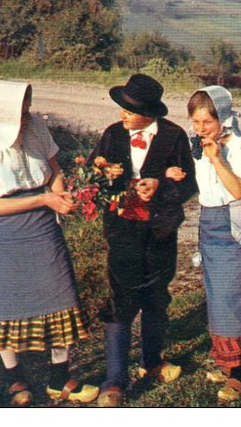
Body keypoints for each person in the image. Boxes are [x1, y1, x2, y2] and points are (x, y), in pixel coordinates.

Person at [0, 79, 98, 407]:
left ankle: (58, 377)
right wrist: (44, 200)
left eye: (26, 107)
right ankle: (15, 379)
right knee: (2, 304)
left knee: (59, 296)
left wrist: (61, 194)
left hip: (42, 226)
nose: (26, 115)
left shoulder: (35, 126)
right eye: (19, 111)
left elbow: (54, 171)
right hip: (3, 232)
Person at [88, 74, 198, 407]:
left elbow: (190, 182)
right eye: (121, 106)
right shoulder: (112, 135)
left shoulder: (173, 136)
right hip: (122, 230)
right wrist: (108, 181)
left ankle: (152, 361)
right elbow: (95, 177)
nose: (121, 113)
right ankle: (115, 380)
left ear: (149, 112)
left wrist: (162, 186)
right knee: (121, 296)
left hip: (160, 230)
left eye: (129, 109)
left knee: (156, 295)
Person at [184, 85, 241, 403]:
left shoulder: (237, 146)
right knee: (219, 296)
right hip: (211, 224)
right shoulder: (204, 145)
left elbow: (238, 191)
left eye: (207, 122)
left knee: (237, 297)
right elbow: (204, 187)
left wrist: (217, 160)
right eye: (196, 122)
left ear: (223, 117)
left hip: (237, 224)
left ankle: (239, 373)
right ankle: (233, 362)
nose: (201, 129)